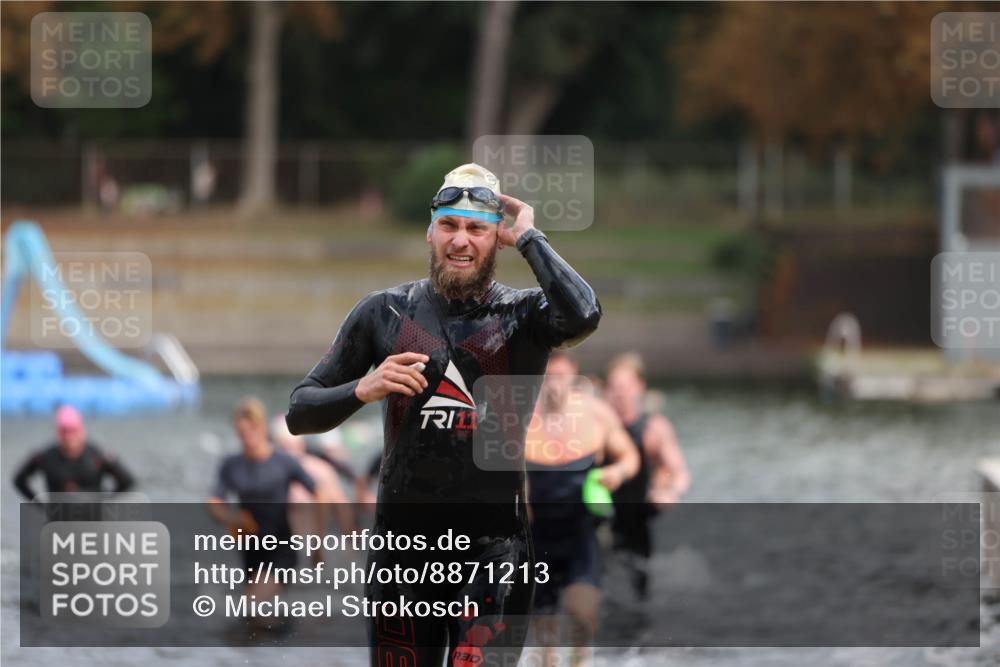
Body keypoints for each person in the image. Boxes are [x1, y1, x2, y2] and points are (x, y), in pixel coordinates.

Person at [285, 163, 601, 667]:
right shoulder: (384, 312)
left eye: (477, 228)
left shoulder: (523, 317)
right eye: (450, 225)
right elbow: (299, 413)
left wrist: (531, 238)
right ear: (430, 232)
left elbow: (584, 314)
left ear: (496, 237)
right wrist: (361, 389)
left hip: (495, 553)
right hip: (401, 553)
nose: (461, 241)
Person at [525, 351, 639, 667]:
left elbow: (629, 456)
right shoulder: (519, 417)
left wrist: (617, 473)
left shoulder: (596, 413)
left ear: (574, 376)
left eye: (559, 377)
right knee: (544, 636)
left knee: (582, 615)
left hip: (581, 533)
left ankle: (579, 661)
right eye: (546, 378)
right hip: (536, 537)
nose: (553, 385)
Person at [207, 397, 321, 625]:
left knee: (250, 606)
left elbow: (319, 493)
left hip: (282, 551)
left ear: (262, 428)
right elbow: (213, 501)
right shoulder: (232, 464)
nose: (247, 438)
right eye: (241, 432)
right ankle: (281, 647)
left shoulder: (284, 462)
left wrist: (317, 543)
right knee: (259, 618)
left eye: (252, 430)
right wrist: (230, 518)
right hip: (250, 548)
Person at [604, 352, 691, 600]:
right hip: (603, 511)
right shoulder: (598, 424)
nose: (619, 393)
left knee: (639, 584)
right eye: (613, 387)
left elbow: (681, 473)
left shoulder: (654, 428)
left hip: (640, 510)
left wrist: (670, 491)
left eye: (625, 386)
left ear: (639, 387)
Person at [270, 415, 356, 559]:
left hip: (301, 548)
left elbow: (341, 508)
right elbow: (342, 509)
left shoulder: (319, 470)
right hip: (305, 548)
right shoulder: (321, 469)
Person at [13, 405, 134, 501]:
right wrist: (39, 505)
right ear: (58, 432)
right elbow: (19, 480)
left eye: (72, 430)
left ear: (81, 430)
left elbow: (127, 480)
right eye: (64, 431)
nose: (69, 437)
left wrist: (106, 500)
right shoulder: (46, 456)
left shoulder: (97, 455)